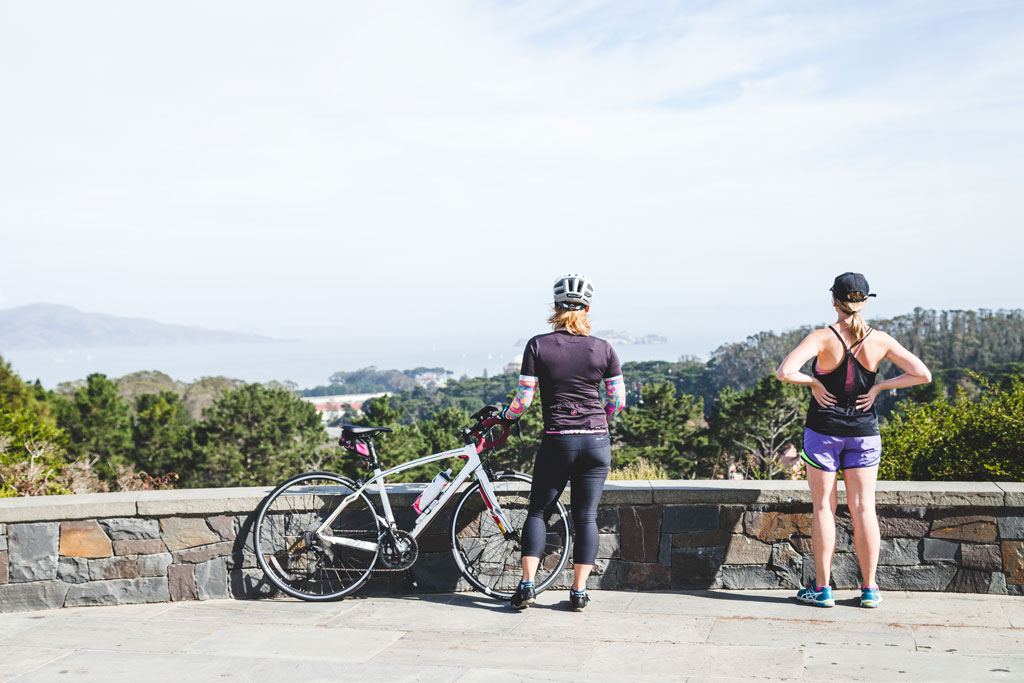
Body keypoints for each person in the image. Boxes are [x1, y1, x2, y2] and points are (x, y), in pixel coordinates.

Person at [776, 273, 930, 608]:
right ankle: (870, 589)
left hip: (823, 433)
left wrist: (814, 383)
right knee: (864, 509)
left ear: (834, 300)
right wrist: (878, 387)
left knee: (823, 508)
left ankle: (822, 589)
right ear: (864, 301)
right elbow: (922, 374)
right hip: (864, 435)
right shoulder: (880, 340)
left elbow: (785, 372)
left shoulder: (820, 337)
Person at [501, 273, 626, 612]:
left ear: (555, 307)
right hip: (596, 442)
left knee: (538, 511)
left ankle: (527, 587)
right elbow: (617, 400)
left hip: (558, 441)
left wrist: (505, 419)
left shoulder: (538, 345)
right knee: (586, 517)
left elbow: (523, 400)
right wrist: (601, 420)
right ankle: (579, 592)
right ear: (587, 309)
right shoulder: (604, 348)